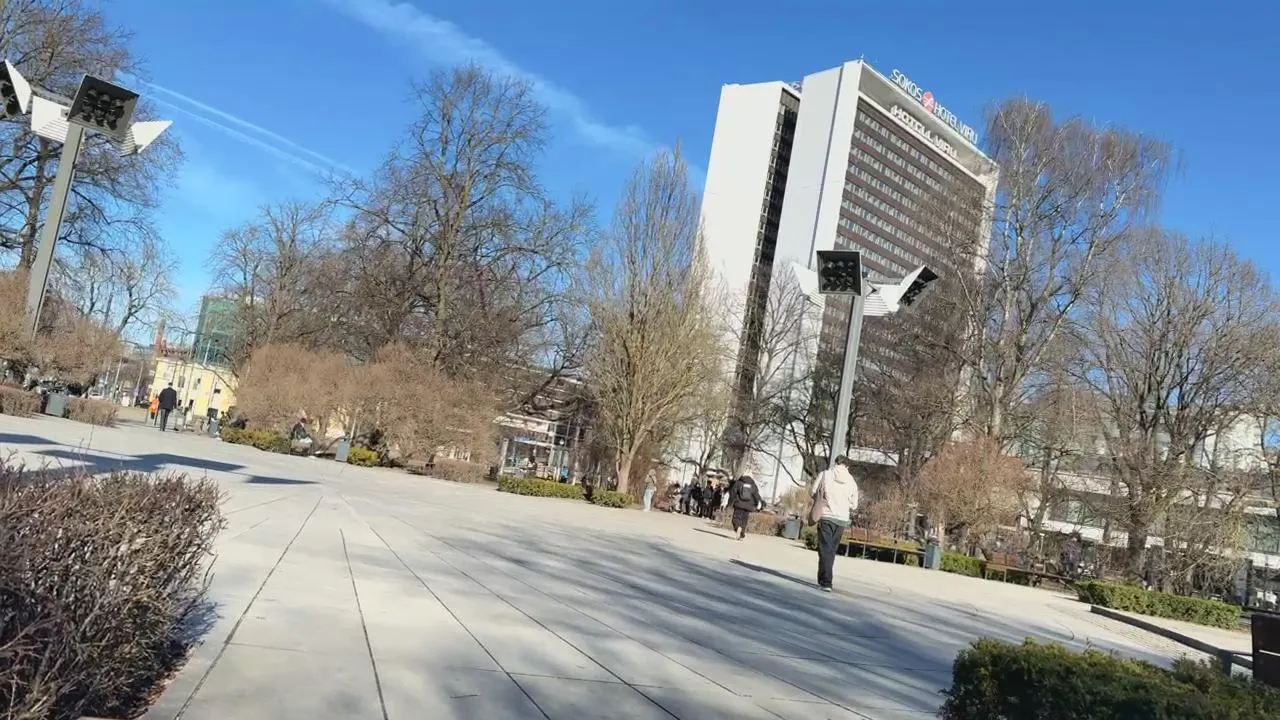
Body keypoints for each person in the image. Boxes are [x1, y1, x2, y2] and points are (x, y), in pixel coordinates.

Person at [811, 456, 860, 592]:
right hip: (842, 519)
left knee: (824, 548)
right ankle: (825, 580)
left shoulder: (825, 475)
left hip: (826, 515)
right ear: (847, 466)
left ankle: (826, 581)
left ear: (835, 463)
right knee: (831, 549)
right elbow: (854, 505)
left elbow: (813, 491)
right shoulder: (851, 481)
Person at [727, 474, 764, 540]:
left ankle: (738, 527)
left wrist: (730, 503)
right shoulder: (753, 485)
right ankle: (742, 534)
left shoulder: (738, 483)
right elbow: (757, 496)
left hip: (739, 504)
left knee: (736, 518)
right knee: (744, 520)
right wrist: (759, 505)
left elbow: (733, 493)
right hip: (748, 506)